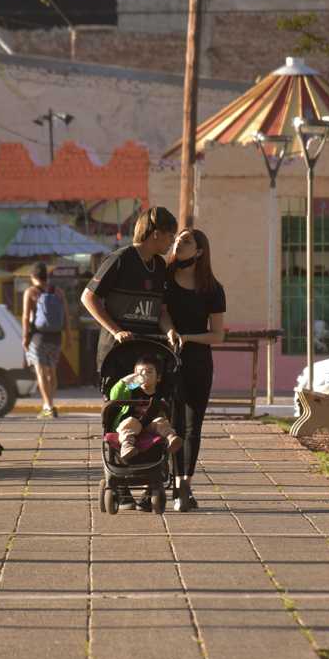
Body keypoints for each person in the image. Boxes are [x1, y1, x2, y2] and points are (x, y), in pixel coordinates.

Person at [165, 228, 226, 512]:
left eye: (187, 240)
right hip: (168, 359)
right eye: (178, 238)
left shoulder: (212, 288)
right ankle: (176, 484)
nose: (179, 242)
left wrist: (188, 337)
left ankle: (185, 483)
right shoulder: (164, 279)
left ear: (199, 251)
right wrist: (171, 332)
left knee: (192, 426)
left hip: (198, 361)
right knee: (172, 424)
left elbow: (217, 335)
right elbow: (161, 312)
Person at [80, 206, 182, 369]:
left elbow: (162, 311)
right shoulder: (120, 259)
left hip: (148, 356)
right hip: (117, 352)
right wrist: (117, 331)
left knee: (148, 395)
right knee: (120, 395)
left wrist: (170, 331)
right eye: (170, 235)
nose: (173, 241)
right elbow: (88, 297)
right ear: (156, 234)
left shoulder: (161, 266)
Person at [108, 355, 182, 460]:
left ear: (158, 377)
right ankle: (127, 445)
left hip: (151, 425)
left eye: (149, 372)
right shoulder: (130, 390)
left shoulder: (161, 394)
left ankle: (171, 438)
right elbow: (114, 397)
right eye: (139, 372)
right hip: (133, 423)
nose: (144, 375)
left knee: (161, 422)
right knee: (129, 422)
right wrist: (124, 382)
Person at [22, 262, 68, 418]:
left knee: (41, 372)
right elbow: (66, 316)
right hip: (56, 337)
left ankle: (48, 406)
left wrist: (25, 337)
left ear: (33, 276)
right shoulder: (59, 292)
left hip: (38, 337)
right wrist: (68, 337)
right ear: (46, 277)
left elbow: (26, 316)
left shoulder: (31, 292)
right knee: (52, 371)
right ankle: (51, 403)